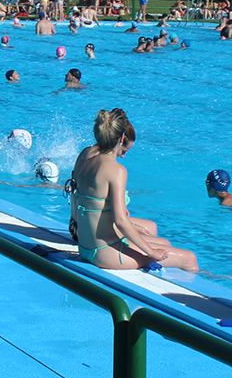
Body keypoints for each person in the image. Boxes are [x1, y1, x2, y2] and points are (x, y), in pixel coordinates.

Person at [67, 108, 199, 272]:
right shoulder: (116, 170)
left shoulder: (86, 157)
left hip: (86, 248)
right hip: (106, 253)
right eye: (124, 151)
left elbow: (74, 193)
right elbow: (120, 221)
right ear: (122, 138)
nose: (123, 155)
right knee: (189, 258)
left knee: (164, 244)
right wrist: (151, 252)